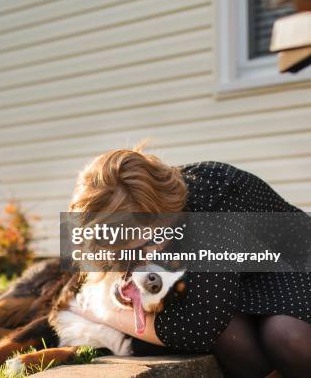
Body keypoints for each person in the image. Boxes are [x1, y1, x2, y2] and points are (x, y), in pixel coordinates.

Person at [69, 147, 311, 378]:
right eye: (131, 250)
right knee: (229, 336)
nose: (149, 253)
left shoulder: (216, 198)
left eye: (155, 237)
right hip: (235, 278)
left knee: (287, 336)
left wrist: (102, 313)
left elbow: (197, 330)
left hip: (291, 260)